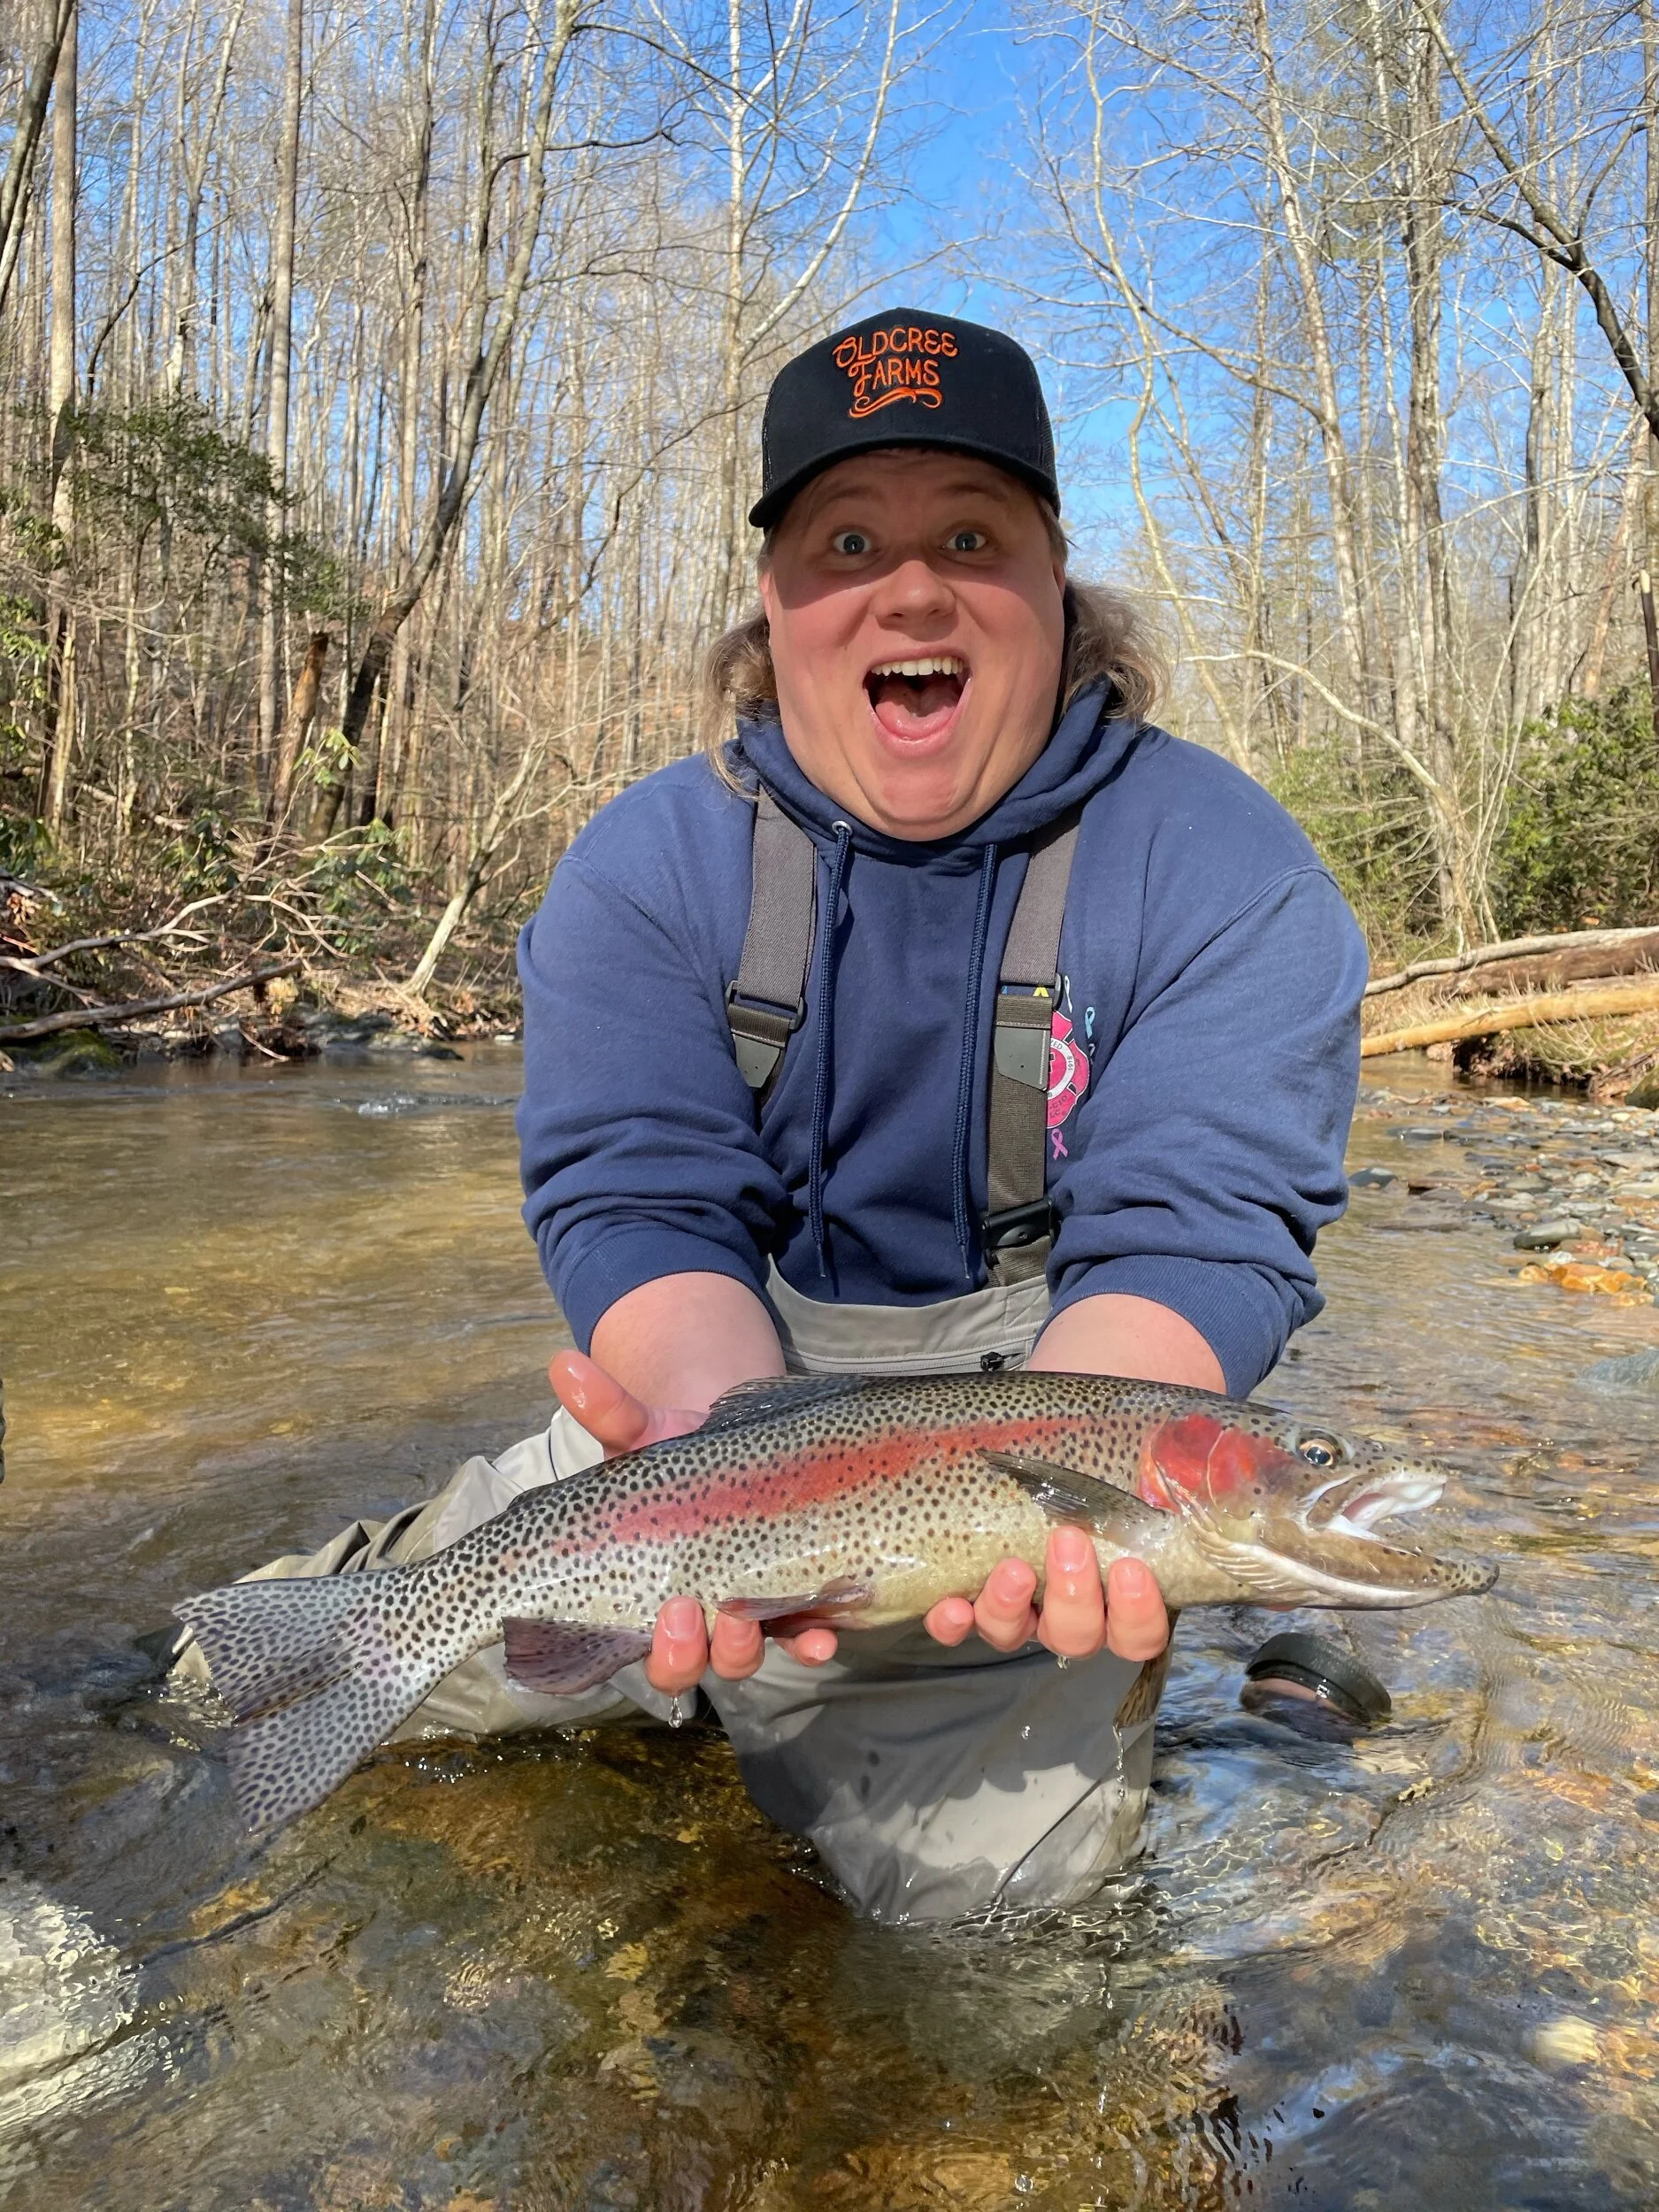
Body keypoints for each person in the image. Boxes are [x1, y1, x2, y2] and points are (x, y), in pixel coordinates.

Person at [174, 309, 1368, 1922]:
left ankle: (1178, 1700)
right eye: (847, 540)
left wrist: (1088, 1504)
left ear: (1052, 583)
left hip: (1031, 1462)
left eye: (971, 534)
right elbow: (638, 1198)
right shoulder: (647, 867)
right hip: (709, 1425)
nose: (913, 584)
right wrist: (705, 1458)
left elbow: (1202, 1227)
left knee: (1007, 1976)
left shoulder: (1228, 872)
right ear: (777, 603)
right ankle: (303, 1648)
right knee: (216, 1691)